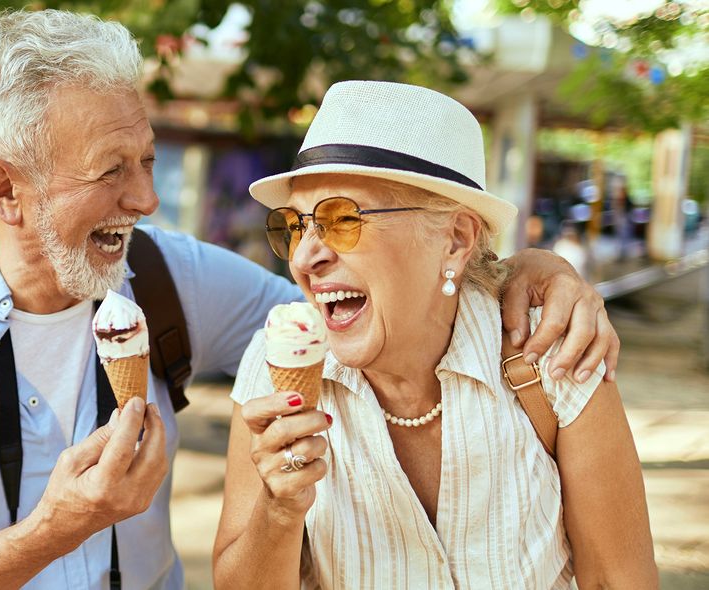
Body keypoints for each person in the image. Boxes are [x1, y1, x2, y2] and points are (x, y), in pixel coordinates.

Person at [0, 11, 620, 589]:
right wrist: (63, 522)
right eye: (112, 170)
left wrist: (531, 268)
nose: (145, 198)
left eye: (146, 160)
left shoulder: (173, 280)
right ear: (6, 189)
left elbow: (362, 301)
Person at [213, 81, 656, 589]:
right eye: (294, 225)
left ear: (456, 240)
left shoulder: (555, 350)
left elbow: (618, 580)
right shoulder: (276, 360)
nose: (303, 257)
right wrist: (279, 511)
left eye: (343, 220)